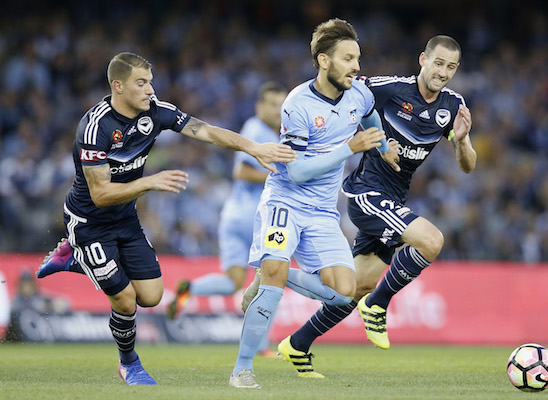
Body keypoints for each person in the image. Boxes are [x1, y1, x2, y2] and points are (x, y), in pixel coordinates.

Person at [35, 52, 296, 385]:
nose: (149, 90)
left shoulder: (156, 111)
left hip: (125, 219)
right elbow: (100, 194)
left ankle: (74, 258)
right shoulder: (95, 127)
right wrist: (149, 181)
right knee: (126, 301)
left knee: (152, 296)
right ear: (118, 86)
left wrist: (253, 148)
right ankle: (129, 363)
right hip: (89, 222)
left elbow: (206, 131)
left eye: (150, 82)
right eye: (141, 83)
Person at [278, 35, 476, 377]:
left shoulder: (452, 105)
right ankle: (378, 306)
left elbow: (468, 165)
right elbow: (340, 86)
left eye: (451, 67)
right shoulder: (387, 89)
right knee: (431, 240)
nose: (443, 72)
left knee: (354, 288)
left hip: (395, 199)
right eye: (439, 63)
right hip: (367, 194)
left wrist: (460, 142)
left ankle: (296, 344)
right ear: (423, 60)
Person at [229, 18, 400, 389]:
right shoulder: (298, 104)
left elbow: (371, 118)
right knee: (276, 274)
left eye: (358, 57)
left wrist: (385, 148)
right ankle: (242, 369)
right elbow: (298, 173)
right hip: (286, 202)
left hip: (323, 212)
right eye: (348, 58)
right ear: (324, 61)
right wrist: (348, 148)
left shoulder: (360, 93)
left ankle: (268, 275)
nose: (357, 66)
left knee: (343, 294)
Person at [166, 81, 288, 357]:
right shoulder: (256, 130)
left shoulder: (267, 131)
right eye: (271, 104)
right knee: (274, 277)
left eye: (281, 104)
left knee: (233, 281)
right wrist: (283, 176)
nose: (277, 110)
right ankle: (261, 346)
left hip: (233, 216)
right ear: (259, 107)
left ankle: (191, 287)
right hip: (256, 217)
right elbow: (242, 173)